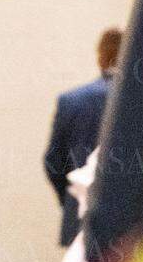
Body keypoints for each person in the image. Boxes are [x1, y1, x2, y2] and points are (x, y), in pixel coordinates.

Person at [44, 28, 123, 249]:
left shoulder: (71, 101)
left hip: (81, 217)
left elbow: (53, 161)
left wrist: (72, 197)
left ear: (101, 56)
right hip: (130, 226)